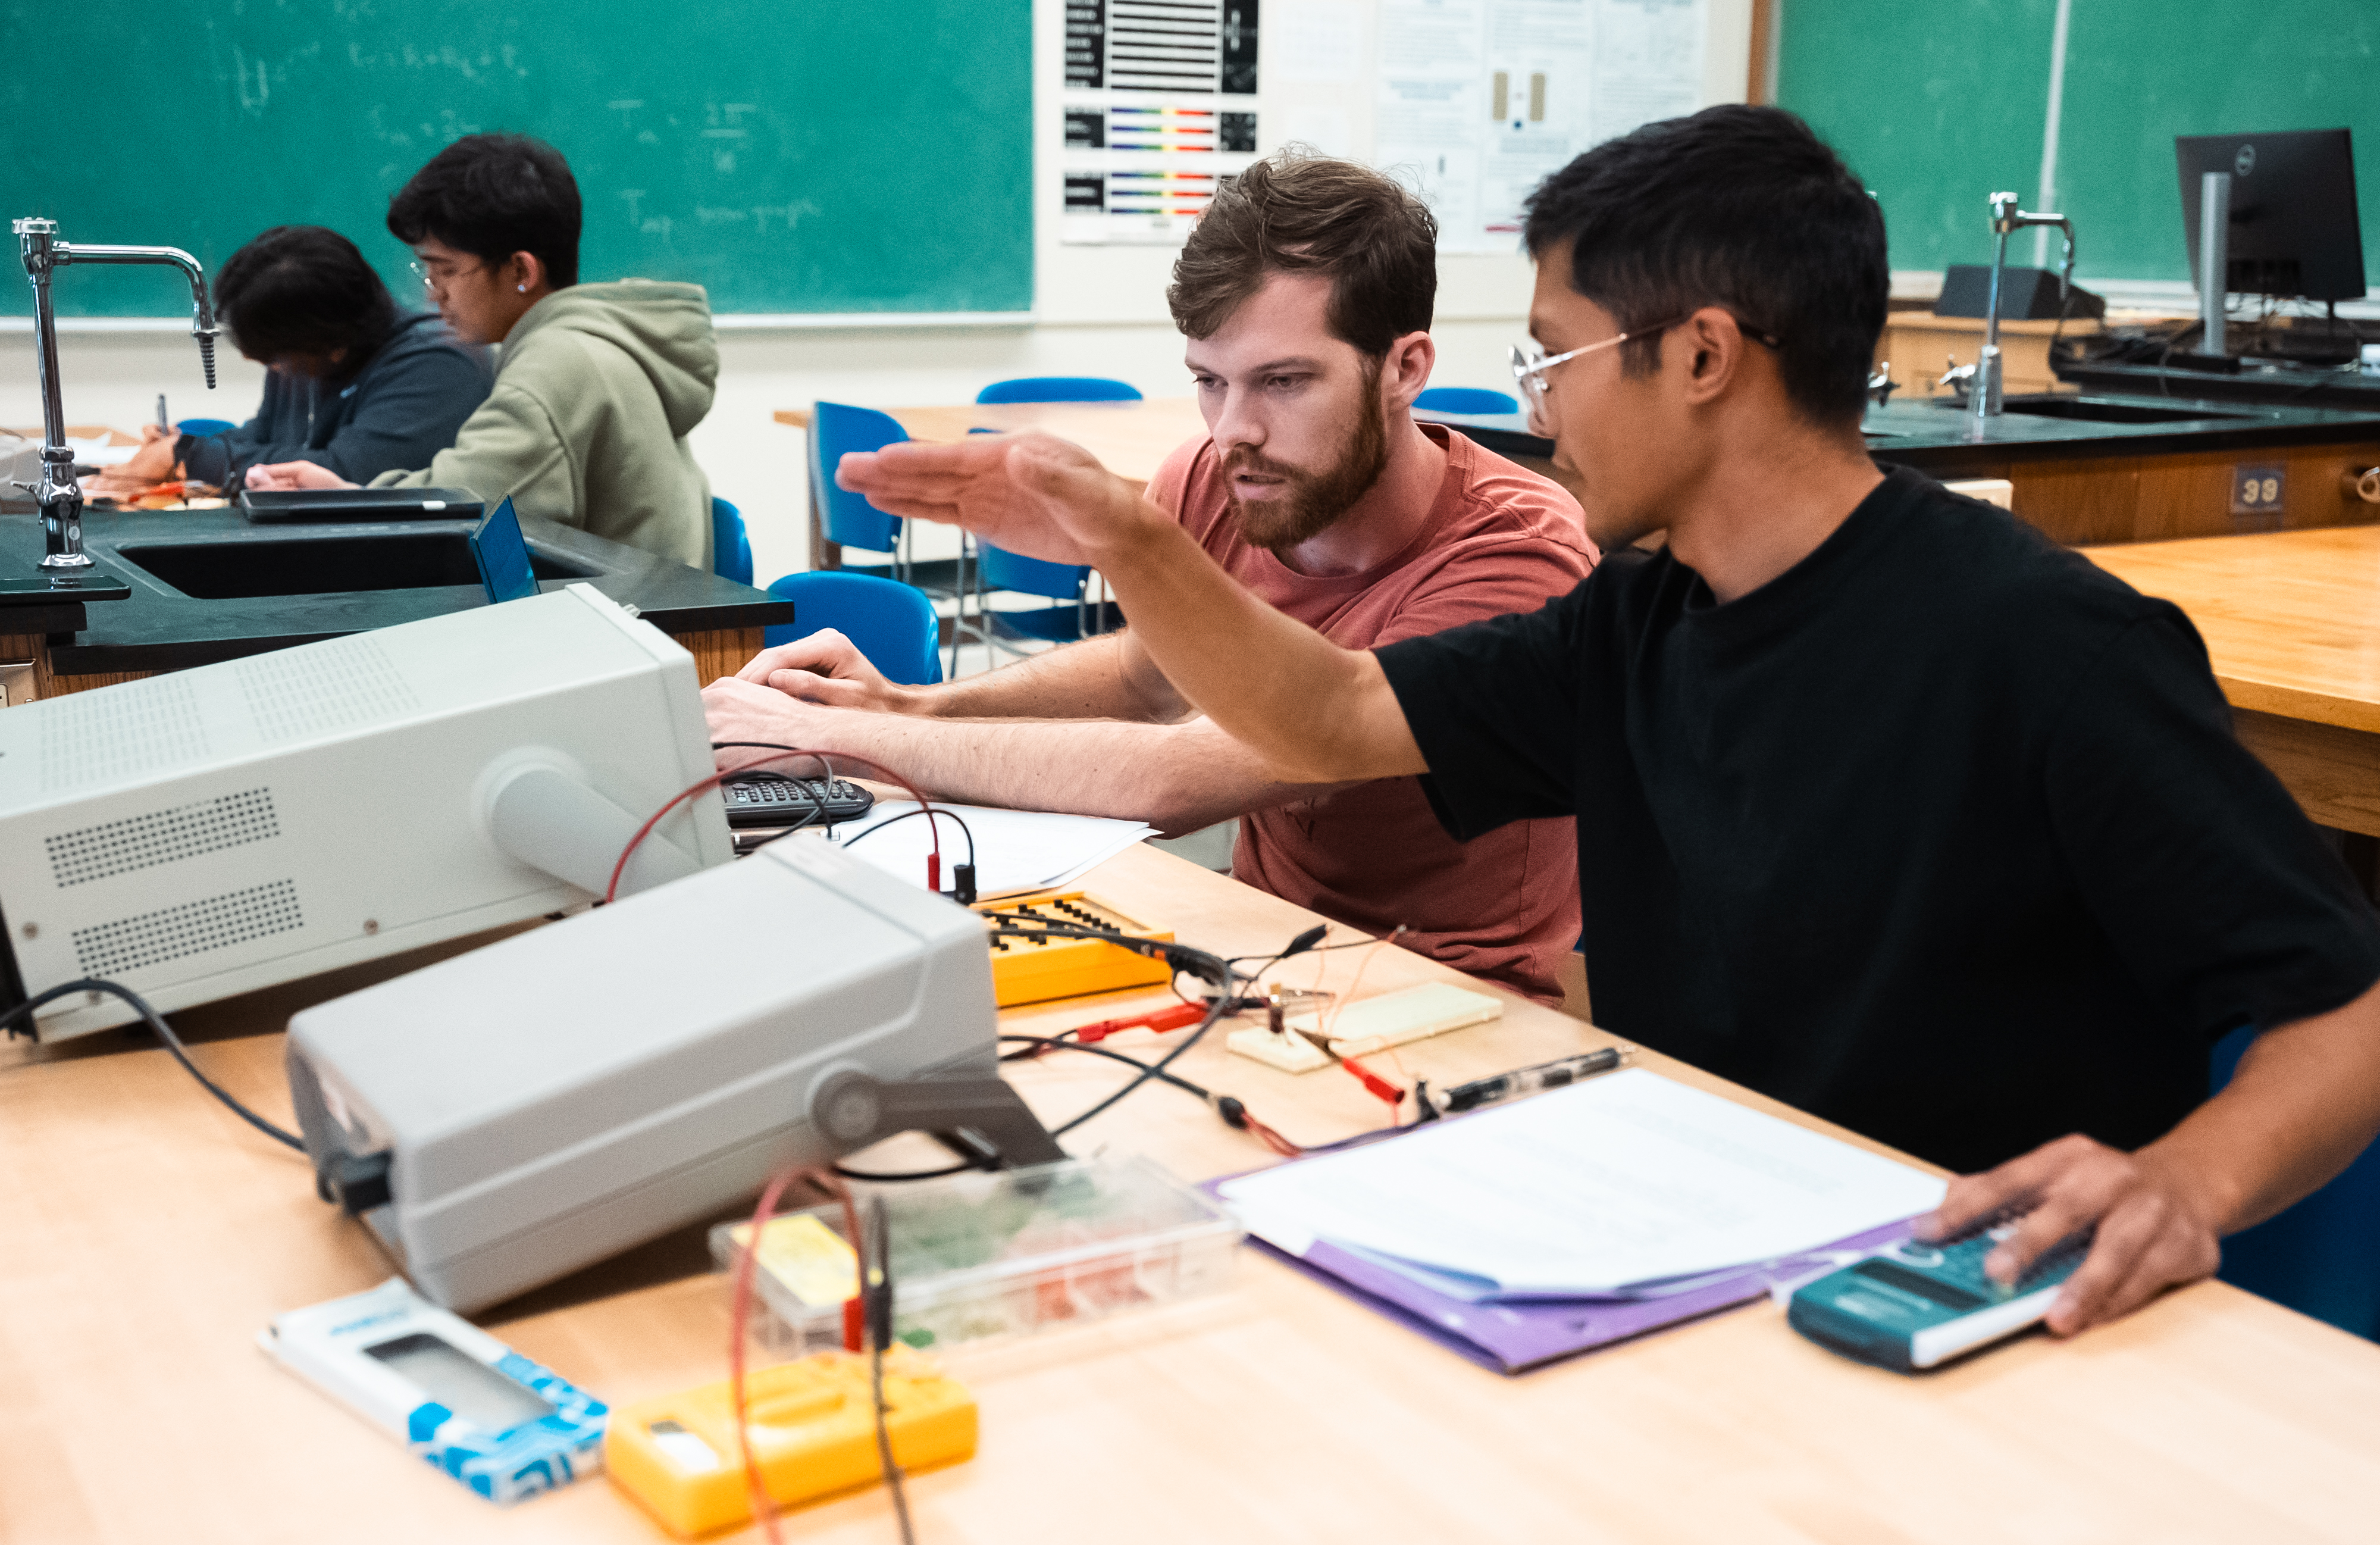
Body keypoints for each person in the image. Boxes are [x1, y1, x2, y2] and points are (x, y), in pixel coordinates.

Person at [836, 105, 2380, 1337]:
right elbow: (1324, 710)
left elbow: (2347, 1008)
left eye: (1555, 357)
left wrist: (2186, 1182)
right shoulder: (1641, 614)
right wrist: (1137, 542)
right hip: (1693, 1234)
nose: (1539, 406)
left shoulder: (2042, 644)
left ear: (1703, 357)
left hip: (1945, 1284)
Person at [704, 154, 1596, 1003]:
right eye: (1210, 381)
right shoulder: (1215, 478)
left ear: (1406, 368)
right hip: (1247, 948)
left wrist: (860, 746)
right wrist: (904, 709)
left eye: (1283, 381)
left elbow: (1178, 777)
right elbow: (1146, 677)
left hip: (1449, 998)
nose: (1233, 429)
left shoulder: (1520, 556)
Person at [246, 134, 718, 570]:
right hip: (649, 616)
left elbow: (460, 509)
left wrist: (346, 500)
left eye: (445, 270)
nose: (434, 295)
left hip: (628, 630)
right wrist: (348, 494)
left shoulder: (558, 365)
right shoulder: (590, 341)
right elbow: (464, 492)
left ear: (520, 271)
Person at [86, 226, 489, 495]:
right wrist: (184, 445)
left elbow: (344, 473)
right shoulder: (318, 353)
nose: (273, 370)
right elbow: (266, 434)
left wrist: (192, 458)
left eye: (277, 359)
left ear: (330, 341)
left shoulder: (438, 363)